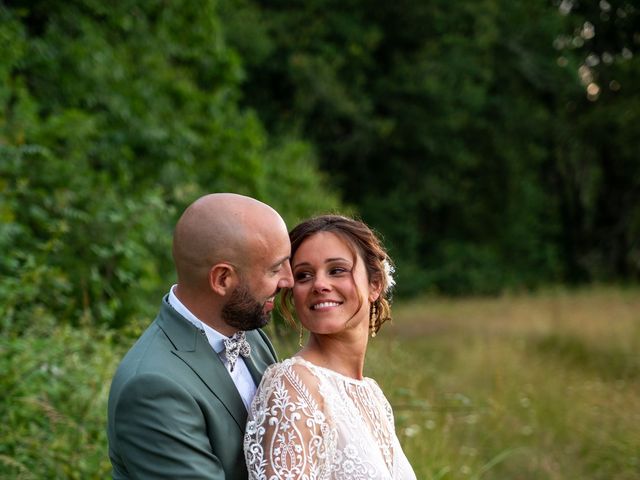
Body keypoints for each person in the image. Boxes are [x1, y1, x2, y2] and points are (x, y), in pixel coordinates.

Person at [107, 193, 294, 479]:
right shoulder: (152, 387)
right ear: (222, 279)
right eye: (275, 268)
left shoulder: (247, 332)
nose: (289, 280)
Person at [244, 215, 417, 479]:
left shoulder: (372, 395)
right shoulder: (294, 386)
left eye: (336, 270)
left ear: (375, 284)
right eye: (304, 275)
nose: (320, 285)